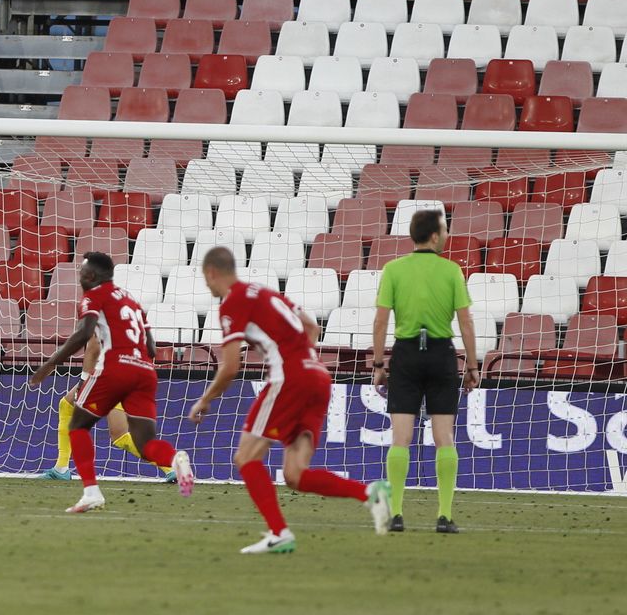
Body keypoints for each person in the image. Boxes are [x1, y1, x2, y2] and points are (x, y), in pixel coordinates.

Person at [189, 247, 391, 554]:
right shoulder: (267, 293)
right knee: (295, 474)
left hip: (290, 379)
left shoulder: (233, 302)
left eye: (206, 280)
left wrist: (205, 399)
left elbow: (230, 366)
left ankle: (278, 532)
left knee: (246, 457)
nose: (207, 286)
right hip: (319, 378)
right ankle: (370, 493)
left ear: (211, 273)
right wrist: (300, 357)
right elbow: (312, 326)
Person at [28, 251, 194, 514]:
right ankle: (174, 460)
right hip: (145, 372)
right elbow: (151, 346)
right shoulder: (131, 301)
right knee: (140, 440)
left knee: (79, 425)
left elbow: (88, 338)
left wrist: (49, 365)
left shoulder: (94, 297)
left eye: (82, 273)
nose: (80, 277)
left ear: (92, 276)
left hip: (115, 369)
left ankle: (89, 490)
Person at [371, 208, 480, 534]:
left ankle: (397, 515)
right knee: (443, 438)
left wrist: (379, 364)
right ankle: (444, 517)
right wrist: (472, 365)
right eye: (444, 230)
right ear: (434, 235)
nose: (446, 235)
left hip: (405, 353)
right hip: (440, 354)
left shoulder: (394, 269)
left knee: (400, 439)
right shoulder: (451, 271)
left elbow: (380, 320)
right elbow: (466, 321)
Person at [39, 401, 176, 484]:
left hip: (110, 375)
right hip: (120, 372)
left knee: (68, 405)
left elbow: (93, 353)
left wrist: (83, 380)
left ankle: (171, 466)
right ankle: (61, 468)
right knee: (67, 405)